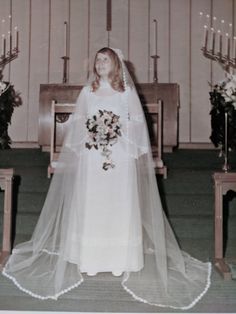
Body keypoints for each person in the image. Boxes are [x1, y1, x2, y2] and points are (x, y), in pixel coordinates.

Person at [2, 47, 211, 309]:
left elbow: (136, 123)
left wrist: (116, 133)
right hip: (92, 156)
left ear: (115, 64)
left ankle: (118, 259)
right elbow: (79, 122)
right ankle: (90, 258)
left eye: (105, 60)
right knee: (94, 202)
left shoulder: (125, 92)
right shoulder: (87, 92)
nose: (100, 64)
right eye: (98, 60)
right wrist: (92, 135)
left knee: (118, 203)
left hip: (120, 156)